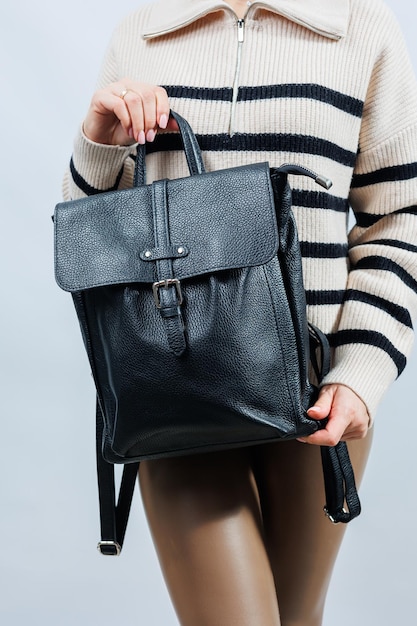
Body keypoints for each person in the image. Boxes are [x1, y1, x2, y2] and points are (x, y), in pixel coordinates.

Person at [64, 0, 417, 624]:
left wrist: (362, 370)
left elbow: (398, 219)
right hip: (176, 392)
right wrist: (98, 140)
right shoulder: (143, 31)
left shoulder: (362, 25)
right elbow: (94, 239)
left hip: (316, 393)